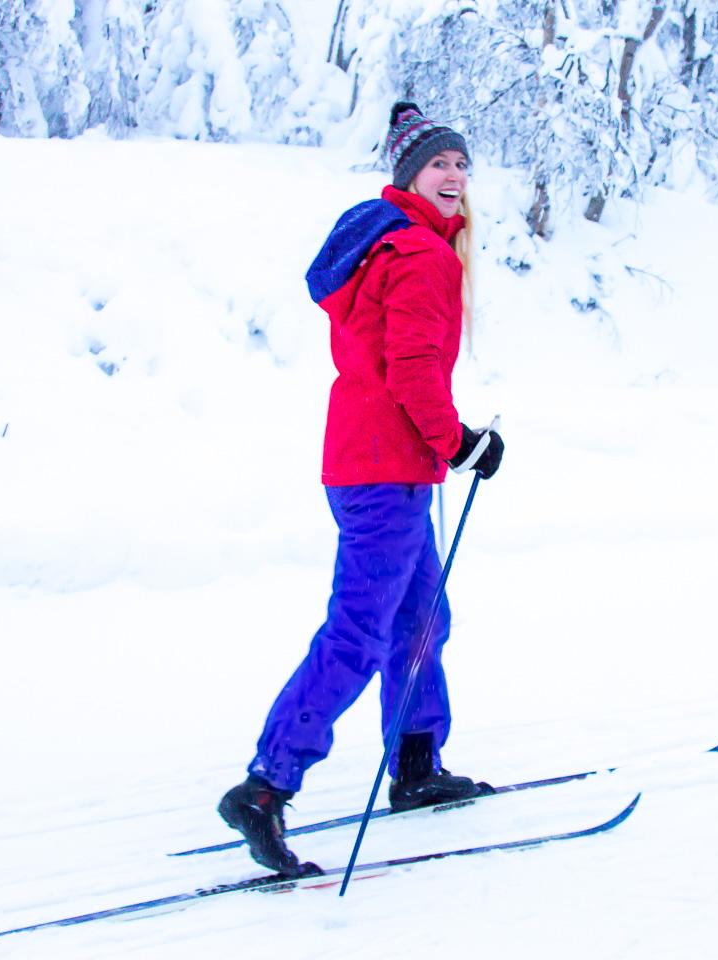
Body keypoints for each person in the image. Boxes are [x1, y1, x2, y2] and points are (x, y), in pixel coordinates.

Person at [217, 102, 505, 877]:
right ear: (409, 173)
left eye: (461, 166)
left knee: (420, 617)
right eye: (440, 164)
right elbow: (411, 371)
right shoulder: (418, 253)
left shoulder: (383, 243)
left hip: (370, 463)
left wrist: (446, 443)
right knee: (359, 634)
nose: (455, 177)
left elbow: (389, 362)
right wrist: (463, 442)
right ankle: (266, 787)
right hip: (387, 465)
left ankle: (415, 764)